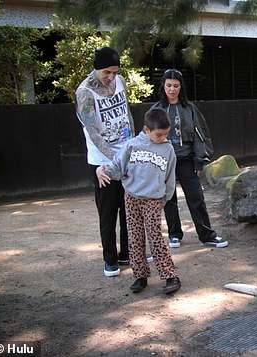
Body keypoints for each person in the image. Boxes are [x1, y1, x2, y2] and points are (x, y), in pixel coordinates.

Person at [96, 108, 181, 294]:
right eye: (159, 134)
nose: (163, 138)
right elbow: (117, 166)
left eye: (166, 134)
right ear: (147, 130)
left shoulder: (168, 149)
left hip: (154, 200)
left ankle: (170, 275)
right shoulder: (132, 145)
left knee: (155, 236)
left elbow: (170, 177)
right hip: (132, 198)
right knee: (134, 237)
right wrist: (101, 170)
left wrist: (165, 198)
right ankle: (140, 275)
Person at [149, 69, 228, 249]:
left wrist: (200, 160)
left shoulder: (189, 109)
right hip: (164, 161)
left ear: (181, 87)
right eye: (168, 85)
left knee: (196, 197)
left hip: (186, 159)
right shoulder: (156, 109)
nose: (172, 89)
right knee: (169, 198)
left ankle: (207, 235)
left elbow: (202, 135)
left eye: (176, 86)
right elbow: (149, 138)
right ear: (163, 86)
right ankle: (174, 234)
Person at [75, 46, 134, 277]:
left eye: (114, 71)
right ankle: (110, 259)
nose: (111, 76)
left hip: (125, 152)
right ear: (97, 67)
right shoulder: (85, 92)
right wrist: (115, 160)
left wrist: (132, 148)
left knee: (128, 207)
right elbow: (93, 132)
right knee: (108, 212)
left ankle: (127, 252)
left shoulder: (120, 81)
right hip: (103, 161)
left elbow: (127, 113)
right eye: (107, 72)